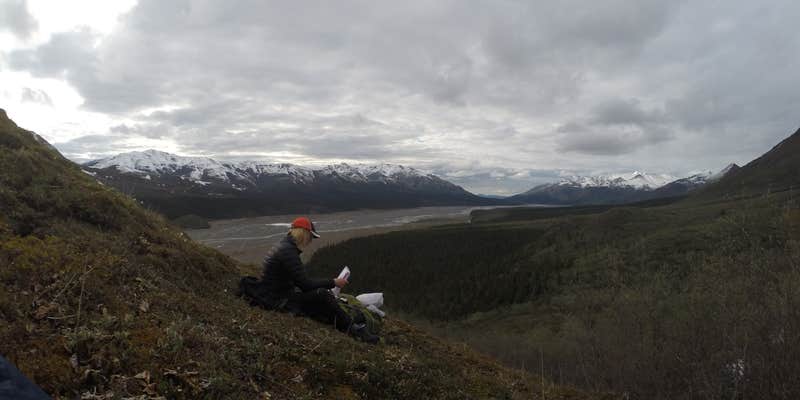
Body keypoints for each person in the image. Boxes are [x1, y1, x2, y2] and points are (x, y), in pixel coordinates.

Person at [260, 217, 378, 344]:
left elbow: (297, 281)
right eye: (310, 236)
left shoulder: (284, 247)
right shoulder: (289, 252)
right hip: (278, 299)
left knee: (320, 298)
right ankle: (354, 330)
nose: (310, 241)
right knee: (322, 295)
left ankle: (348, 324)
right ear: (303, 233)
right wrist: (333, 282)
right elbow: (305, 285)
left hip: (274, 294)